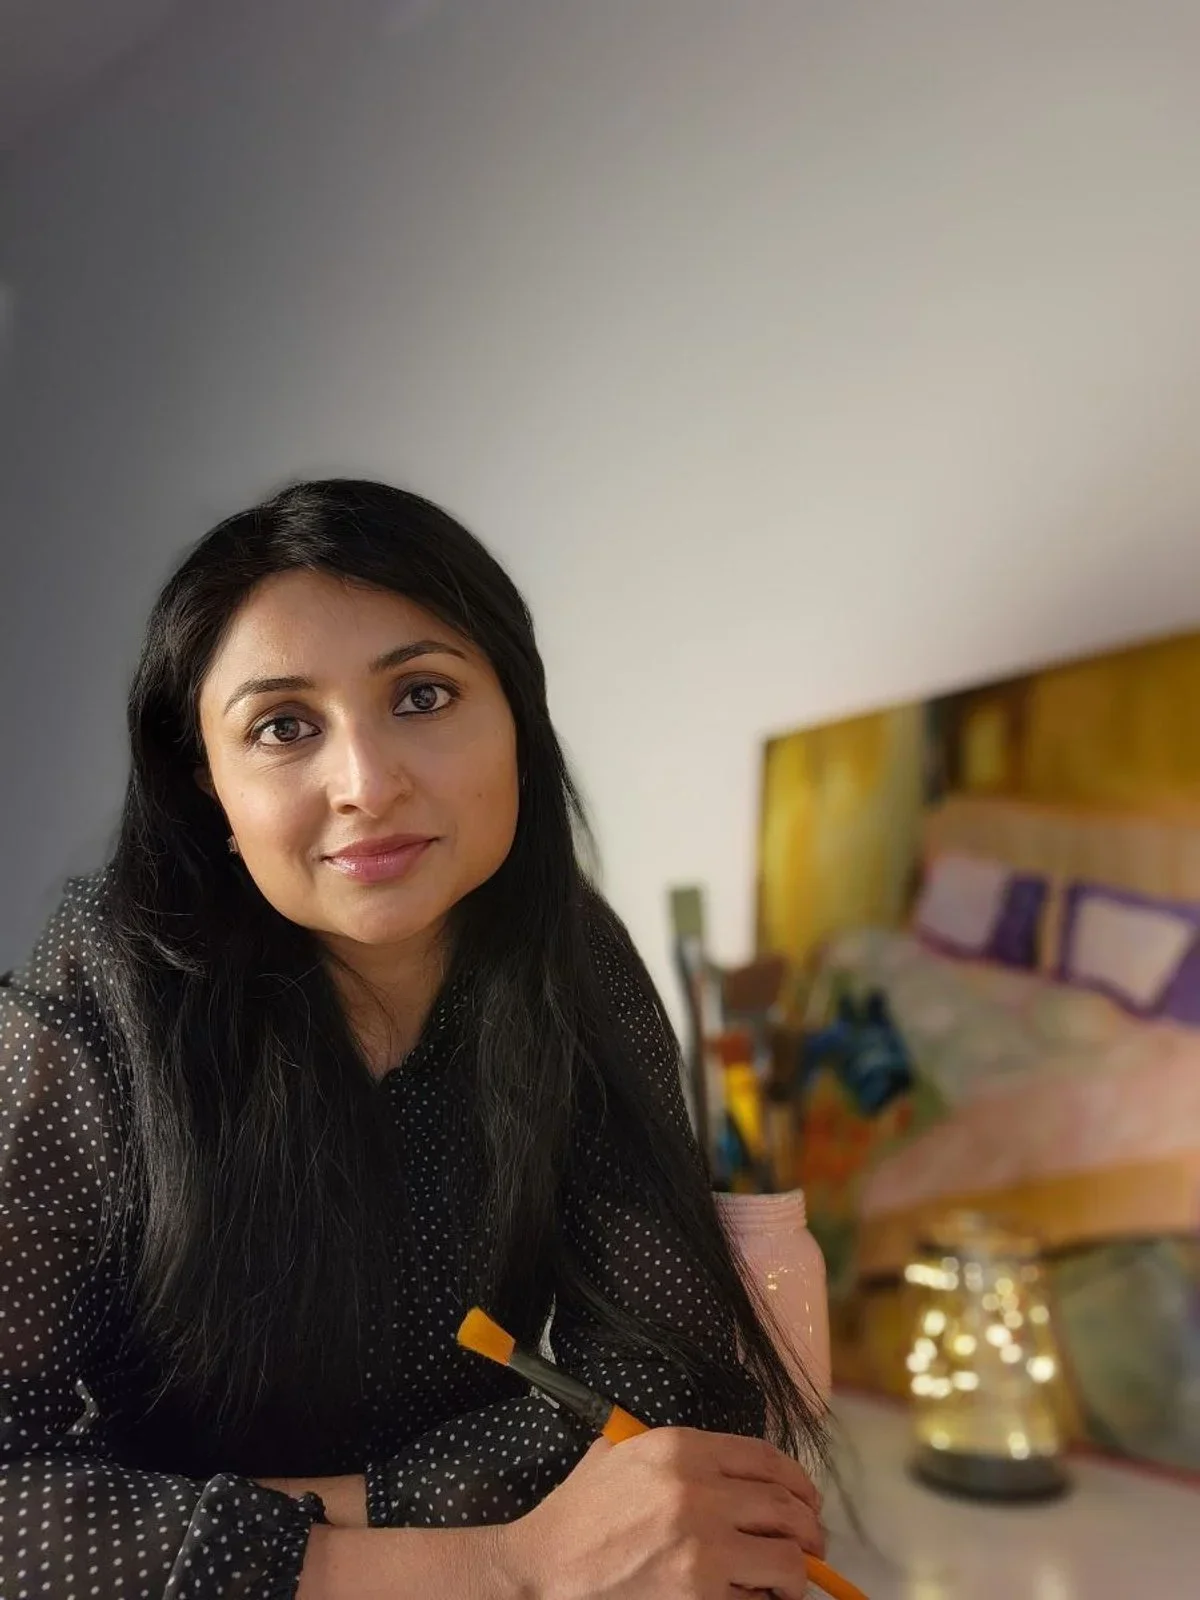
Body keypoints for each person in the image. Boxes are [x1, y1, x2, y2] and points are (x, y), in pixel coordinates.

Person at [0, 479, 827, 1599]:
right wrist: (498, 1557)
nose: (368, 784)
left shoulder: (570, 950)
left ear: (517, 721)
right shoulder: (97, 980)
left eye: (423, 695)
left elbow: (669, 1392)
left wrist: (288, 1514)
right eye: (285, 727)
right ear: (210, 786)